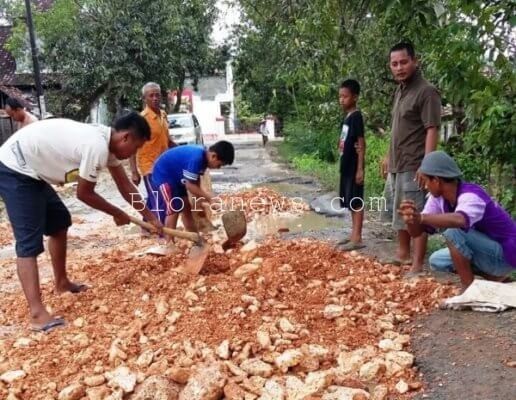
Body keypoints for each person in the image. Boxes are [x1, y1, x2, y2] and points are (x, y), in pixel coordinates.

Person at [0, 112, 162, 332]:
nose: (133, 153)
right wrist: (116, 213)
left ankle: (62, 283)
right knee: (29, 243)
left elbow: (126, 187)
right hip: (15, 167)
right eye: (135, 148)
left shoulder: (107, 144)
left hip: (34, 170)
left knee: (59, 222)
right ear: (125, 138)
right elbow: (84, 194)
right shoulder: (96, 146)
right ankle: (37, 315)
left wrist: (150, 216)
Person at [398, 151, 516, 291]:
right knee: (437, 261)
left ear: (436, 181)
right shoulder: (437, 198)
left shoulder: (471, 195)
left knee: (454, 232)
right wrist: (411, 220)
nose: (425, 186)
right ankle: (496, 278)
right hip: (485, 251)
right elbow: (418, 232)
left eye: (426, 181)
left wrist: (421, 217)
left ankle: (468, 289)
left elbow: (460, 220)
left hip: (505, 255)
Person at [380, 42, 441, 273]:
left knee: (414, 214)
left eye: (404, 62)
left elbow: (432, 129)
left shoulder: (426, 91)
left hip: (414, 163)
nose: (399, 68)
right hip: (397, 162)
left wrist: (427, 165)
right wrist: (388, 155)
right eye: (394, 64)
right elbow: (397, 127)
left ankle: (416, 265)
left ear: (415, 61)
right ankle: (403, 255)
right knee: (400, 211)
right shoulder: (401, 89)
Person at [147, 141, 235, 237]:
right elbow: (190, 186)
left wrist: (203, 200)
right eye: (219, 165)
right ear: (214, 156)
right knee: (173, 209)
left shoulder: (204, 159)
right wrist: (210, 198)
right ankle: (168, 242)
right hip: (164, 176)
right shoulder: (197, 158)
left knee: (186, 208)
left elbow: (195, 182)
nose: (218, 168)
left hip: (177, 178)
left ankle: (195, 238)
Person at [336, 79, 366, 251]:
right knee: (349, 200)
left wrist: (360, 168)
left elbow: (361, 142)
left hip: (355, 165)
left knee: (356, 200)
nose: (342, 100)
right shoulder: (347, 117)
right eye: (340, 96)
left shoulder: (356, 117)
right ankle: (353, 234)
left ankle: (358, 237)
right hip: (346, 164)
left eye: (345, 96)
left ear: (354, 97)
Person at [130, 82, 174, 191]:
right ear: (144, 98)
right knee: (158, 201)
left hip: (165, 165)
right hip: (150, 168)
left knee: (167, 201)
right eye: (151, 96)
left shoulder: (163, 115)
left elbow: (168, 141)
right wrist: (134, 172)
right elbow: (132, 148)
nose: (155, 98)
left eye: (157, 95)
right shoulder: (142, 119)